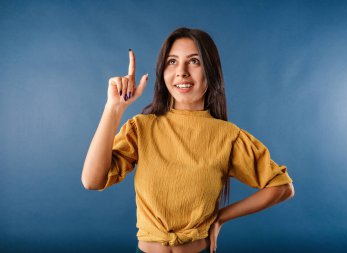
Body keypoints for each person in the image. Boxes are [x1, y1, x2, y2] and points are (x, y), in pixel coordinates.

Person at [82, 27, 295, 253]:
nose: (181, 72)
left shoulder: (228, 136)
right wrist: (114, 108)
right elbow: (92, 181)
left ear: (210, 71)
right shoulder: (141, 128)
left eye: (194, 61)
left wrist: (220, 219)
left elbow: (282, 187)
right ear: (162, 72)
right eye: (172, 62)